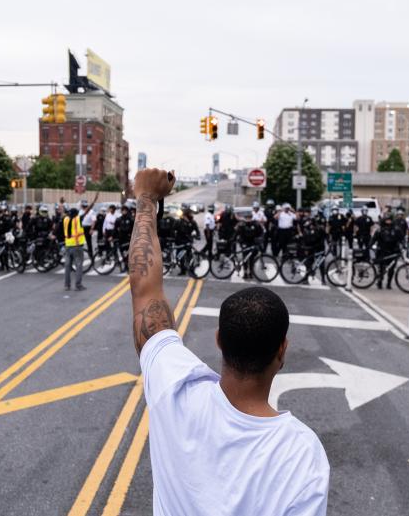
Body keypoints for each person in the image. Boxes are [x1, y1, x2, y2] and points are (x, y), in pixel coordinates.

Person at [127, 168, 329, 515]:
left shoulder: (175, 388)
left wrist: (146, 199)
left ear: (219, 340)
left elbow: (145, 291)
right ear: (282, 350)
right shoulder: (302, 455)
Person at [371, 215, 403, 290]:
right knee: (381, 268)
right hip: (382, 251)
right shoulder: (380, 230)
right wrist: (369, 247)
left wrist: (403, 245)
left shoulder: (396, 229)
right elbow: (373, 239)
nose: (388, 221)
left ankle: (389, 283)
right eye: (387, 220)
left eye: (390, 220)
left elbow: (401, 238)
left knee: (391, 269)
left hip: (393, 251)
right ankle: (380, 282)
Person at [63, 207, 86, 291]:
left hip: (68, 246)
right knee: (79, 266)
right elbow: (85, 213)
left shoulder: (65, 219)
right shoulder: (77, 219)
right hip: (77, 246)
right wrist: (93, 202)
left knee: (67, 266)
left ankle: (67, 285)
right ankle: (78, 285)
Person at [234, 210, 263, 279]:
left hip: (252, 243)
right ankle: (245, 273)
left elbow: (261, 232)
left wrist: (260, 239)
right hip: (244, 243)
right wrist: (235, 240)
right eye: (247, 217)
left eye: (249, 217)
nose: (248, 219)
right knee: (245, 259)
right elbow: (237, 233)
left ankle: (251, 273)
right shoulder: (242, 225)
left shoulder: (255, 224)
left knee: (252, 259)